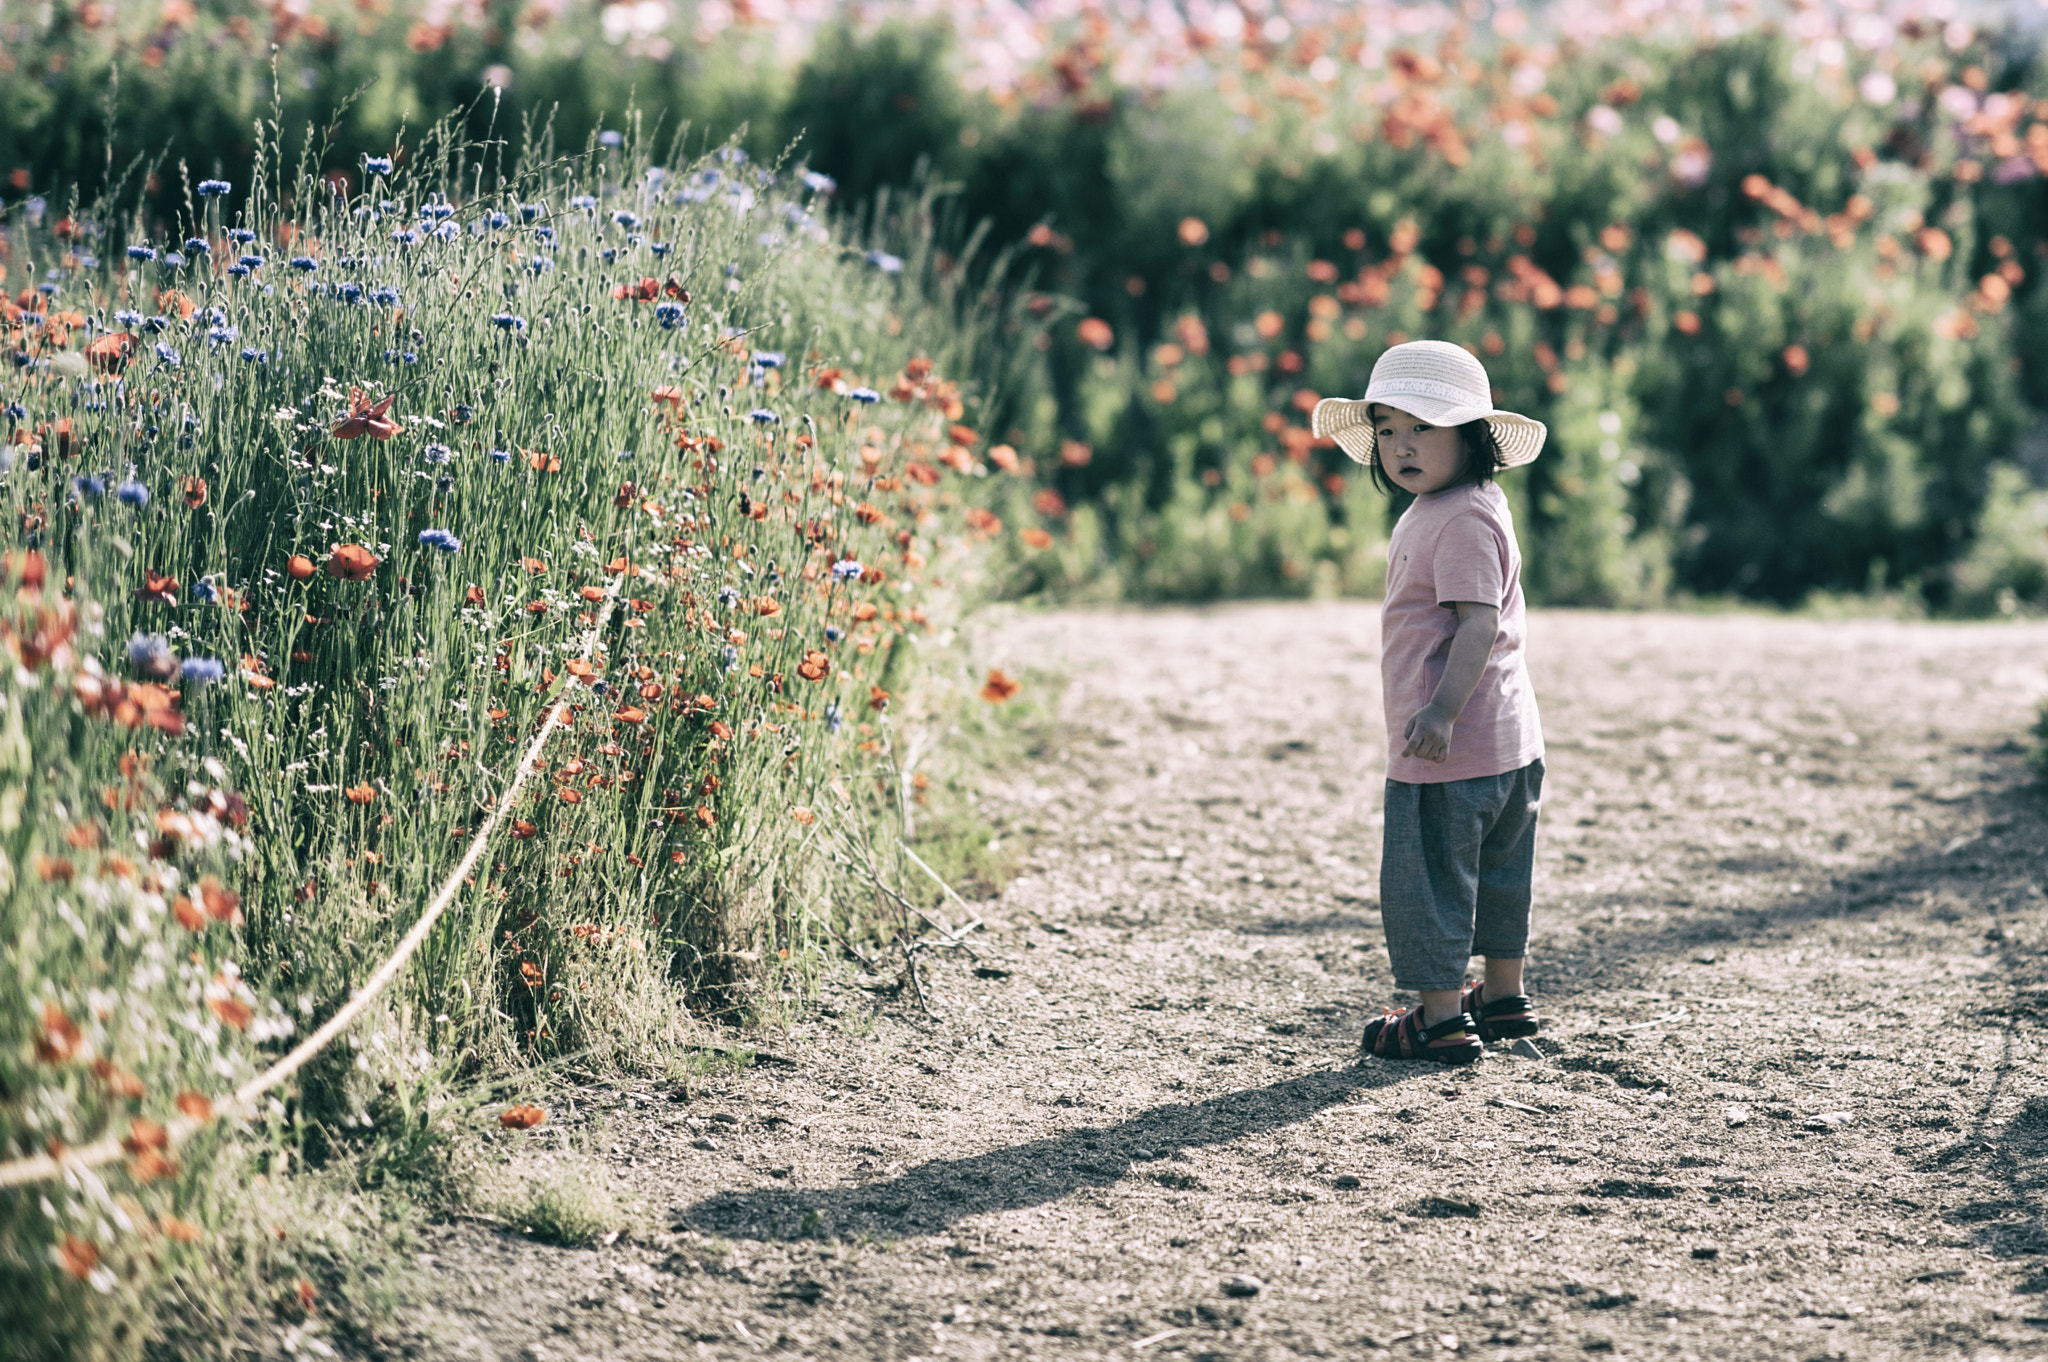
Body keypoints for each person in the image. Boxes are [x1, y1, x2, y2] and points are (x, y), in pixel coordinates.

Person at [1311, 341, 1548, 1066]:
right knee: (1501, 872)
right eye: (1386, 429)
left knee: (1430, 878)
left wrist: (1440, 712)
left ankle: (1441, 1016)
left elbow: (1478, 623)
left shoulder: (1458, 519)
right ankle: (1501, 997)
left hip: (1451, 746)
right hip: (1509, 743)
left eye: (1424, 427)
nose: (1401, 446)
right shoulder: (1470, 503)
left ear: (1473, 435)